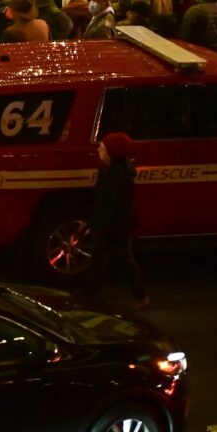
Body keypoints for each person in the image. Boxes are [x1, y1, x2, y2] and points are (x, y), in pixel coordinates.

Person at [91, 131, 147, 307]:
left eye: (103, 146)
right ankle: (90, 294)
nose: (99, 148)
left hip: (116, 226)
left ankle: (140, 296)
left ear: (112, 151)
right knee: (101, 259)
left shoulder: (118, 175)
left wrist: (97, 223)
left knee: (120, 260)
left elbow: (113, 206)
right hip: (112, 224)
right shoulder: (110, 169)